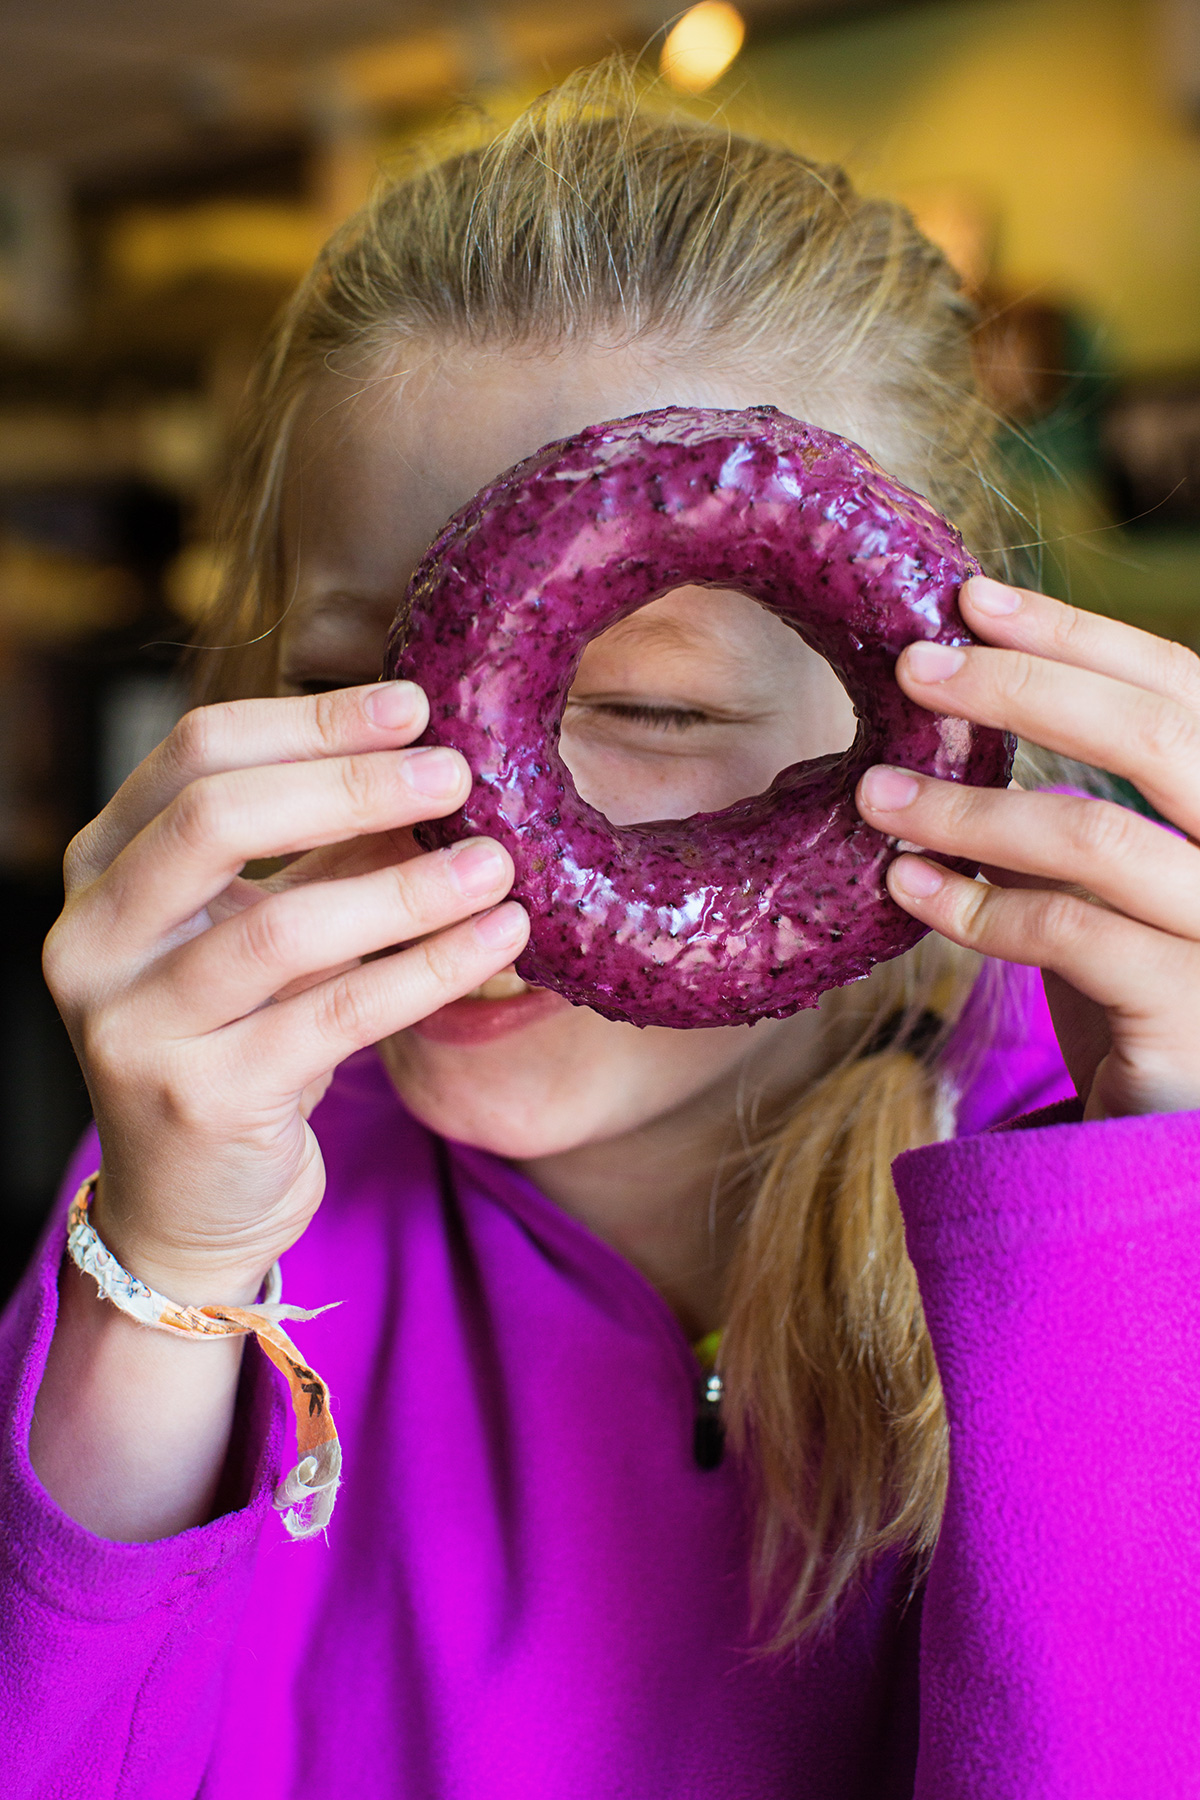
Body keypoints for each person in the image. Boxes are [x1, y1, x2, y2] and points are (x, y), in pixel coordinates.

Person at [3, 70, 1198, 1799]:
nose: (459, 819)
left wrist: (1148, 1217)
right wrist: (162, 1283)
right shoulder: (217, 1194)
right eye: (353, 682)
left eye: (642, 705)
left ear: (924, 700)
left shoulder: (1107, 1175)